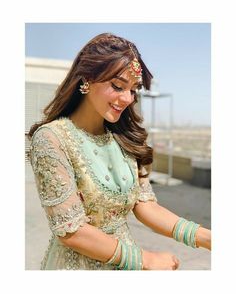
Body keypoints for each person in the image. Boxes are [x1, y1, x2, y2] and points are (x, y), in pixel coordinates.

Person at [28, 32, 211, 270]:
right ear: (86, 80)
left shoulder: (125, 138)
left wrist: (206, 237)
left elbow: (145, 205)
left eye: (134, 89)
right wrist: (146, 259)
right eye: (117, 86)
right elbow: (71, 231)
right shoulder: (52, 139)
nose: (127, 98)